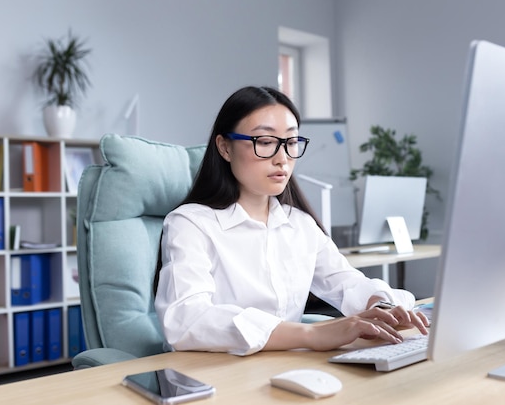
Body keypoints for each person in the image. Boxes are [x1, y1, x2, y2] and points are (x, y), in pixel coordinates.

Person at [154, 86, 429, 356]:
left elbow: (346, 283)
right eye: (264, 142)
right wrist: (312, 335)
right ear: (225, 148)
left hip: (283, 367)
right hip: (214, 373)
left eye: (292, 142)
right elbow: (185, 319)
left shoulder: (299, 224)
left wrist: (382, 308)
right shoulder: (191, 223)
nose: (282, 158)